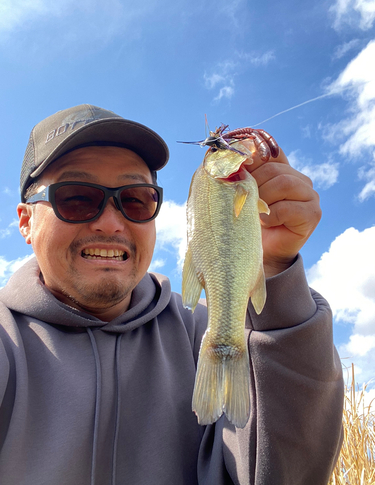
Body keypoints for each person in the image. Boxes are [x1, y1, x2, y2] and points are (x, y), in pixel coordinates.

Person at [0, 104, 343, 485]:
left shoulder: (202, 331)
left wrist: (275, 272)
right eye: (76, 197)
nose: (111, 223)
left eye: (135, 198)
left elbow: (286, 476)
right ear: (26, 222)